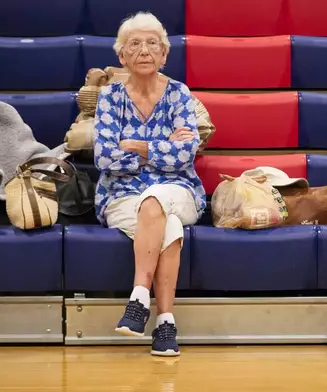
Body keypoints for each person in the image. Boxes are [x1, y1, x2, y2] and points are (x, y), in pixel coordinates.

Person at [93, 12, 206, 357]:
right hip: (120, 194)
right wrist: (162, 147)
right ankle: (165, 323)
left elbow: (186, 154)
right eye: (135, 44)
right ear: (121, 56)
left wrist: (137, 146)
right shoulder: (109, 97)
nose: (144, 50)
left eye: (152, 43)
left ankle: (138, 298)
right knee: (165, 221)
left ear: (164, 55)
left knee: (157, 199)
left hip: (180, 189)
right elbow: (104, 158)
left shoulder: (179, 94)